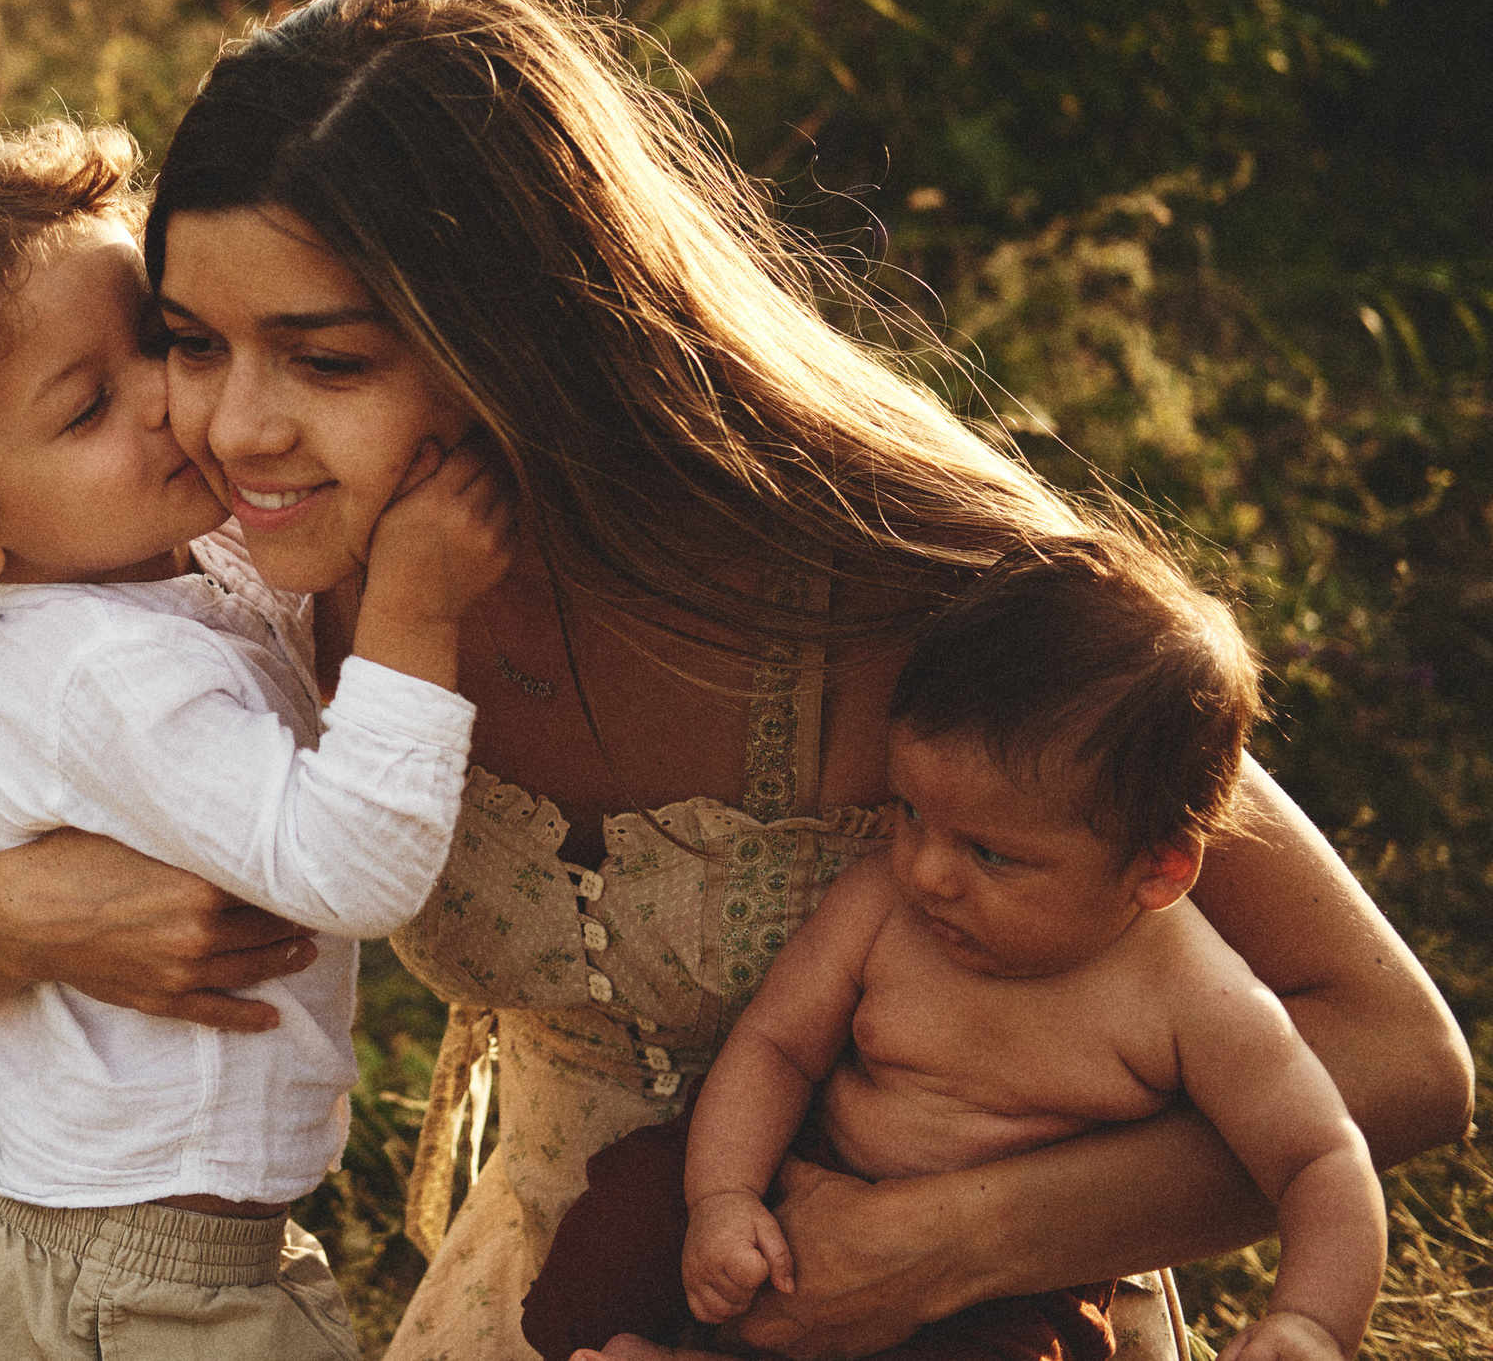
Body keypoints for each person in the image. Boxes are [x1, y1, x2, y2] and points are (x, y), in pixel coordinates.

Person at [0, 0, 1473, 1361]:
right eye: (187, 341)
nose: (233, 426)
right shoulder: (278, 570)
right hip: (552, 1291)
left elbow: (1399, 1054)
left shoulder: (914, 588)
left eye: (321, 357)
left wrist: (964, 1234)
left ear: (518, 345)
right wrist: (12, 907)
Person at [0, 102, 514, 1360]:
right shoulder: (101, 666)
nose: (174, 405)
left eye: (158, 343)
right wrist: (418, 601)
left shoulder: (109, 567)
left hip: (92, 1243)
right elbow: (354, 870)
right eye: (86, 407)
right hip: (157, 1282)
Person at [523, 528, 1385, 1361]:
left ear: (1157, 870)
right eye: (910, 813)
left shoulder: (1196, 999)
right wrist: (724, 1195)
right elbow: (776, 1045)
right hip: (805, 1166)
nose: (927, 869)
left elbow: (1321, 1158)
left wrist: (1313, 1319)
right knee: (620, 1226)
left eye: (990, 851)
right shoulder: (884, 907)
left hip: (1003, 1291)